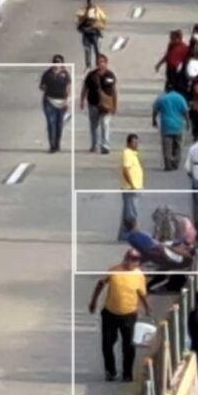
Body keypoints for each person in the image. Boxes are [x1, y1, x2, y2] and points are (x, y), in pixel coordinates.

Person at [88, 249, 149, 382]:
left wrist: (147, 307)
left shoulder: (139, 276)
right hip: (110, 313)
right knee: (107, 343)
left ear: (138, 262)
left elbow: (142, 293)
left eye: (133, 260)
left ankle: (127, 373)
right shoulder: (114, 270)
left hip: (129, 315)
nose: (129, 262)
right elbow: (100, 285)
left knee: (128, 345)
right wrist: (94, 301)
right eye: (128, 258)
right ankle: (110, 371)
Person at [82, 53, 119, 154]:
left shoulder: (110, 75)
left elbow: (114, 91)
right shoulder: (91, 75)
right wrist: (82, 100)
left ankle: (105, 145)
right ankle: (94, 145)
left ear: (106, 63)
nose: (100, 64)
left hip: (107, 105)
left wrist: (115, 105)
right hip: (93, 104)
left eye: (102, 62)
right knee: (94, 126)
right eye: (99, 62)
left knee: (105, 123)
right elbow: (85, 88)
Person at [39, 56, 74, 154]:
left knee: (59, 124)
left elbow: (69, 87)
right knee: (51, 123)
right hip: (49, 101)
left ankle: (57, 144)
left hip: (62, 102)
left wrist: (68, 100)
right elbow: (41, 86)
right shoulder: (47, 74)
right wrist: (44, 87)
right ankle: (52, 146)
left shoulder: (65, 74)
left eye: (58, 62)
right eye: (55, 62)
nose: (56, 64)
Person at [153, 83, 189, 171]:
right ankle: (175, 163)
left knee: (167, 147)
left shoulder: (161, 98)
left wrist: (154, 120)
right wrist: (188, 122)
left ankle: (168, 165)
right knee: (178, 145)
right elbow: (185, 111)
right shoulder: (180, 98)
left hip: (166, 126)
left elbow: (155, 110)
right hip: (178, 125)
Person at [117, 134, 146, 239]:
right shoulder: (127, 153)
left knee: (128, 211)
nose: (136, 144)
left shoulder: (133, 154)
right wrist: (132, 184)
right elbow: (126, 170)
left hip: (135, 187)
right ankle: (134, 234)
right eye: (134, 142)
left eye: (137, 142)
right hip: (130, 188)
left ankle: (124, 235)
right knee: (132, 213)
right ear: (128, 143)